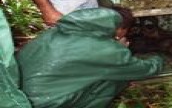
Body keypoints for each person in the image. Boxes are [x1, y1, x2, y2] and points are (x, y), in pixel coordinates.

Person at [16, 7, 163, 108]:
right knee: (116, 79)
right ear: (120, 29)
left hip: (16, 93)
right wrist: (158, 58)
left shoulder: (56, 32)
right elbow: (145, 70)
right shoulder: (107, 51)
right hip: (43, 103)